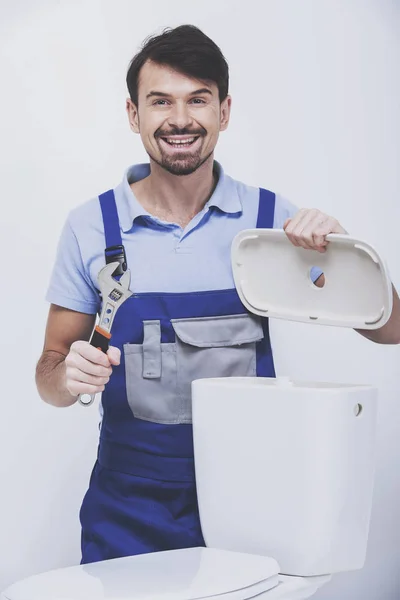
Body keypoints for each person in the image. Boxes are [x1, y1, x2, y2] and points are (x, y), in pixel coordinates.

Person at [35, 24, 400, 565]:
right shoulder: (92, 227)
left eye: (197, 100)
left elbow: (391, 330)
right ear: (134, 114)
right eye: (160, 101)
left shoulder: (270, 222)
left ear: (224, 112)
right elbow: (48, 374)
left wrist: (343, 259)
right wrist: (66, 378)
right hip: (128, 510)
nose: (180, 119)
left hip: (251, 502)